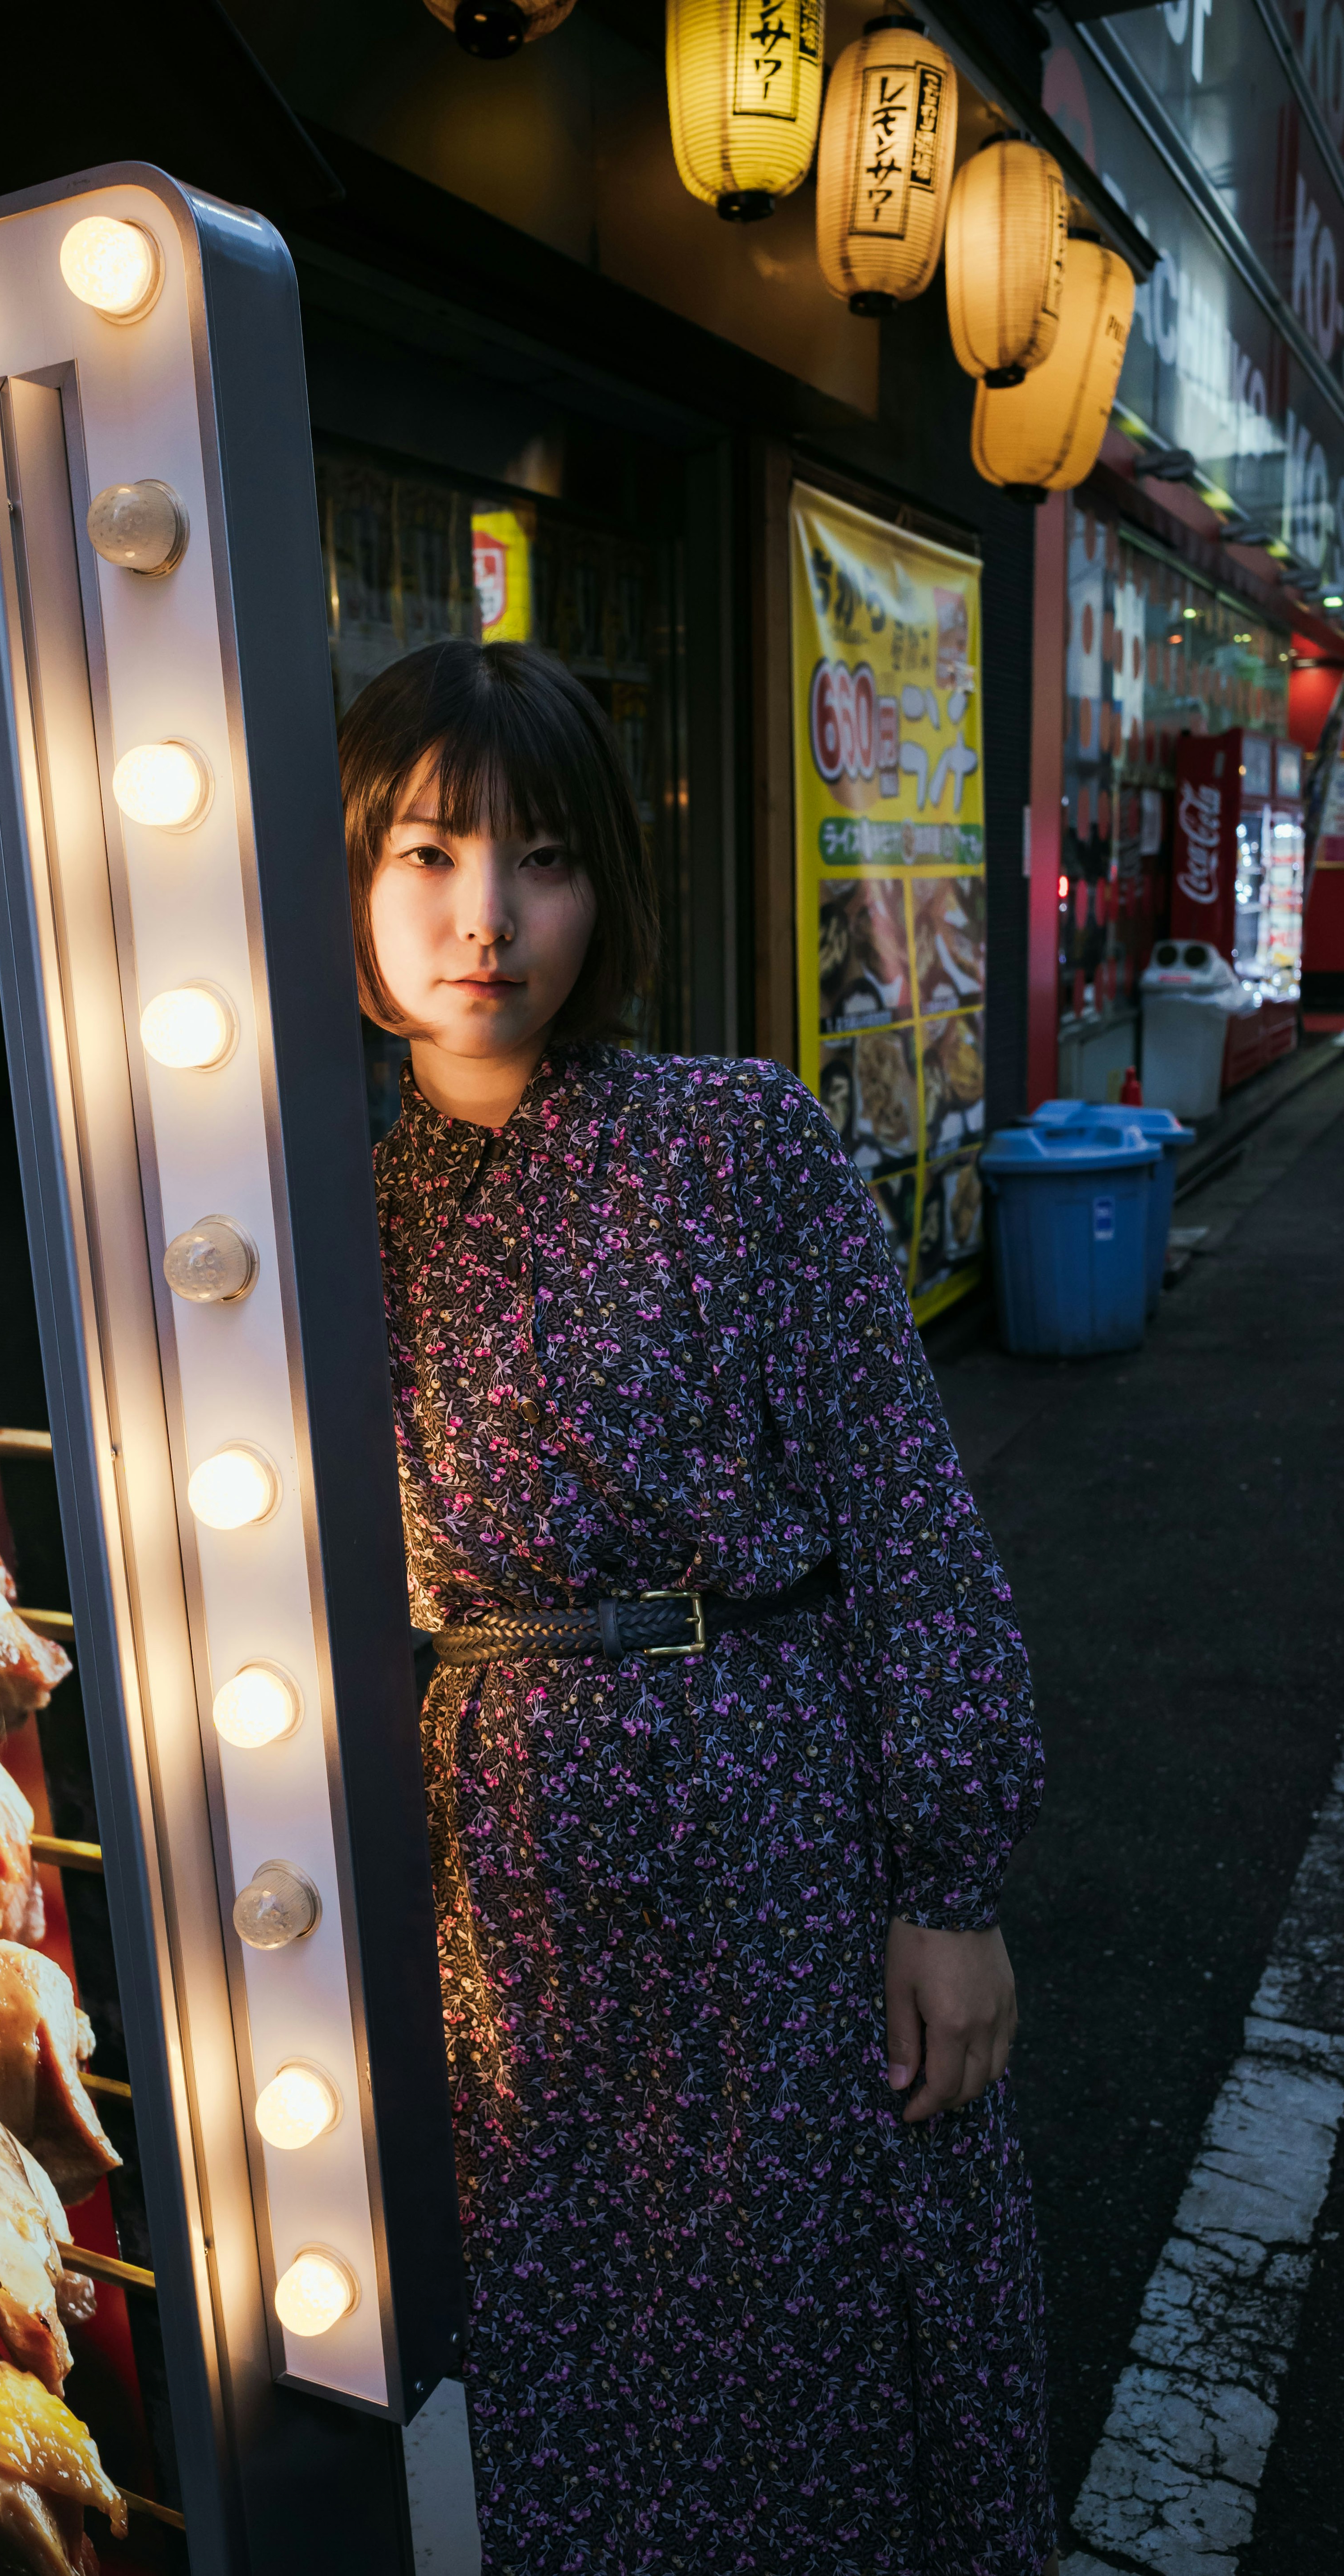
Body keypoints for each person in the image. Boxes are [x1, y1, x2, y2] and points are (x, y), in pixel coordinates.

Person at [341, 637, 1054, 2576]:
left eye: (543, 857)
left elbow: (905, 1516)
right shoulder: (312, 1210)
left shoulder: (736, 1143)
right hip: (498, 1895)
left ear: (608, 892)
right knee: (572, 2369)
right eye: (425, 855)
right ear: (347, 881)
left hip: (770, 1834)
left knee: (815, 2327)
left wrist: (952, 1884)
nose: (485, 916)